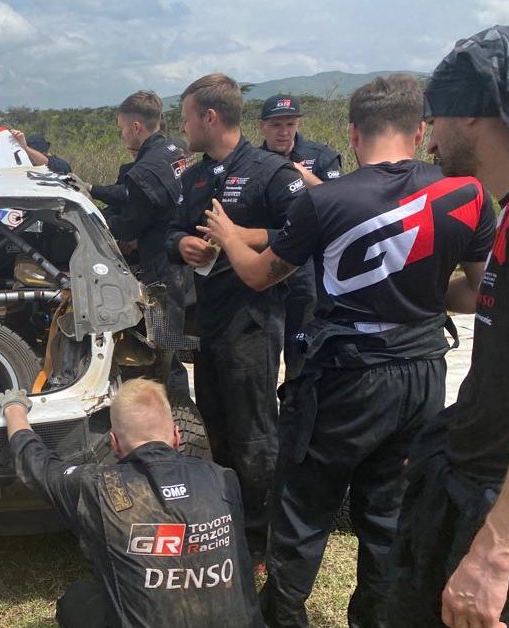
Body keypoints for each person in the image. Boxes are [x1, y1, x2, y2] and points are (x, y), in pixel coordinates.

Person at [199, 74, 495, 627]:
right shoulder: (468, 194)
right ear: (420, 130)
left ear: (354, 133)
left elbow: (260, 276)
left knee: (303, 507)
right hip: (423, 374)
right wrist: (420, 293)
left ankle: (284, 618)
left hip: (346, 376)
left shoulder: (324, 200)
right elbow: (479, 291)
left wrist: (232, 236)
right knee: (387, 513)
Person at [388, 25, 509, 627]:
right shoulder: (506, 212)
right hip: (468, 482)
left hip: (496, 513)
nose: (430, 140)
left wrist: (496, 551)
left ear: (471, 114)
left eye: (435, 118)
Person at [166, 73, 307, 557]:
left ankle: (261, 538)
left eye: (186, 117)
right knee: (216, 425)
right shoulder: (193, 177)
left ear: (210, 117)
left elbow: (304, 234)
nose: (182, 127)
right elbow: (172, 231)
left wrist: (243, 236)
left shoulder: (272, 173)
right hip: (207, 319)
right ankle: (226, 521)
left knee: (254, 432)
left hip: (253, 321)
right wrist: (181, 245)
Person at [0, 379, 262, 627]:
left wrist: (14, 409)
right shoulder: (222, 478)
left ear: (114, 443)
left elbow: (38, 466)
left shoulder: (97, 488)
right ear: (177, 435)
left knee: (76, 601)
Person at [87, 90, 193, 405]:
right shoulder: (177, 148)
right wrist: (93, 189)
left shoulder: (143, 171)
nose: (122, 136)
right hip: (184, 259)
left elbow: (129, 225)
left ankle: (176, 410)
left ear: (136, 127)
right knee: (173, 340)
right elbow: (133, 195)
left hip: (162, 271)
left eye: (122, 129)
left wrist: (99, 221)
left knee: (163, 345)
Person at [258, 94, 344, 379]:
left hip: (308, 268)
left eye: (290, 124)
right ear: (262, 126)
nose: (283, 132)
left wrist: (305, 178)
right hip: (265, 262)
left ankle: (298, 399)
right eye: (276, 125)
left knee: (301, 348)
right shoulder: (253, 161)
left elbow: (342, 203)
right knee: (263, 347)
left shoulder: (320, 156)